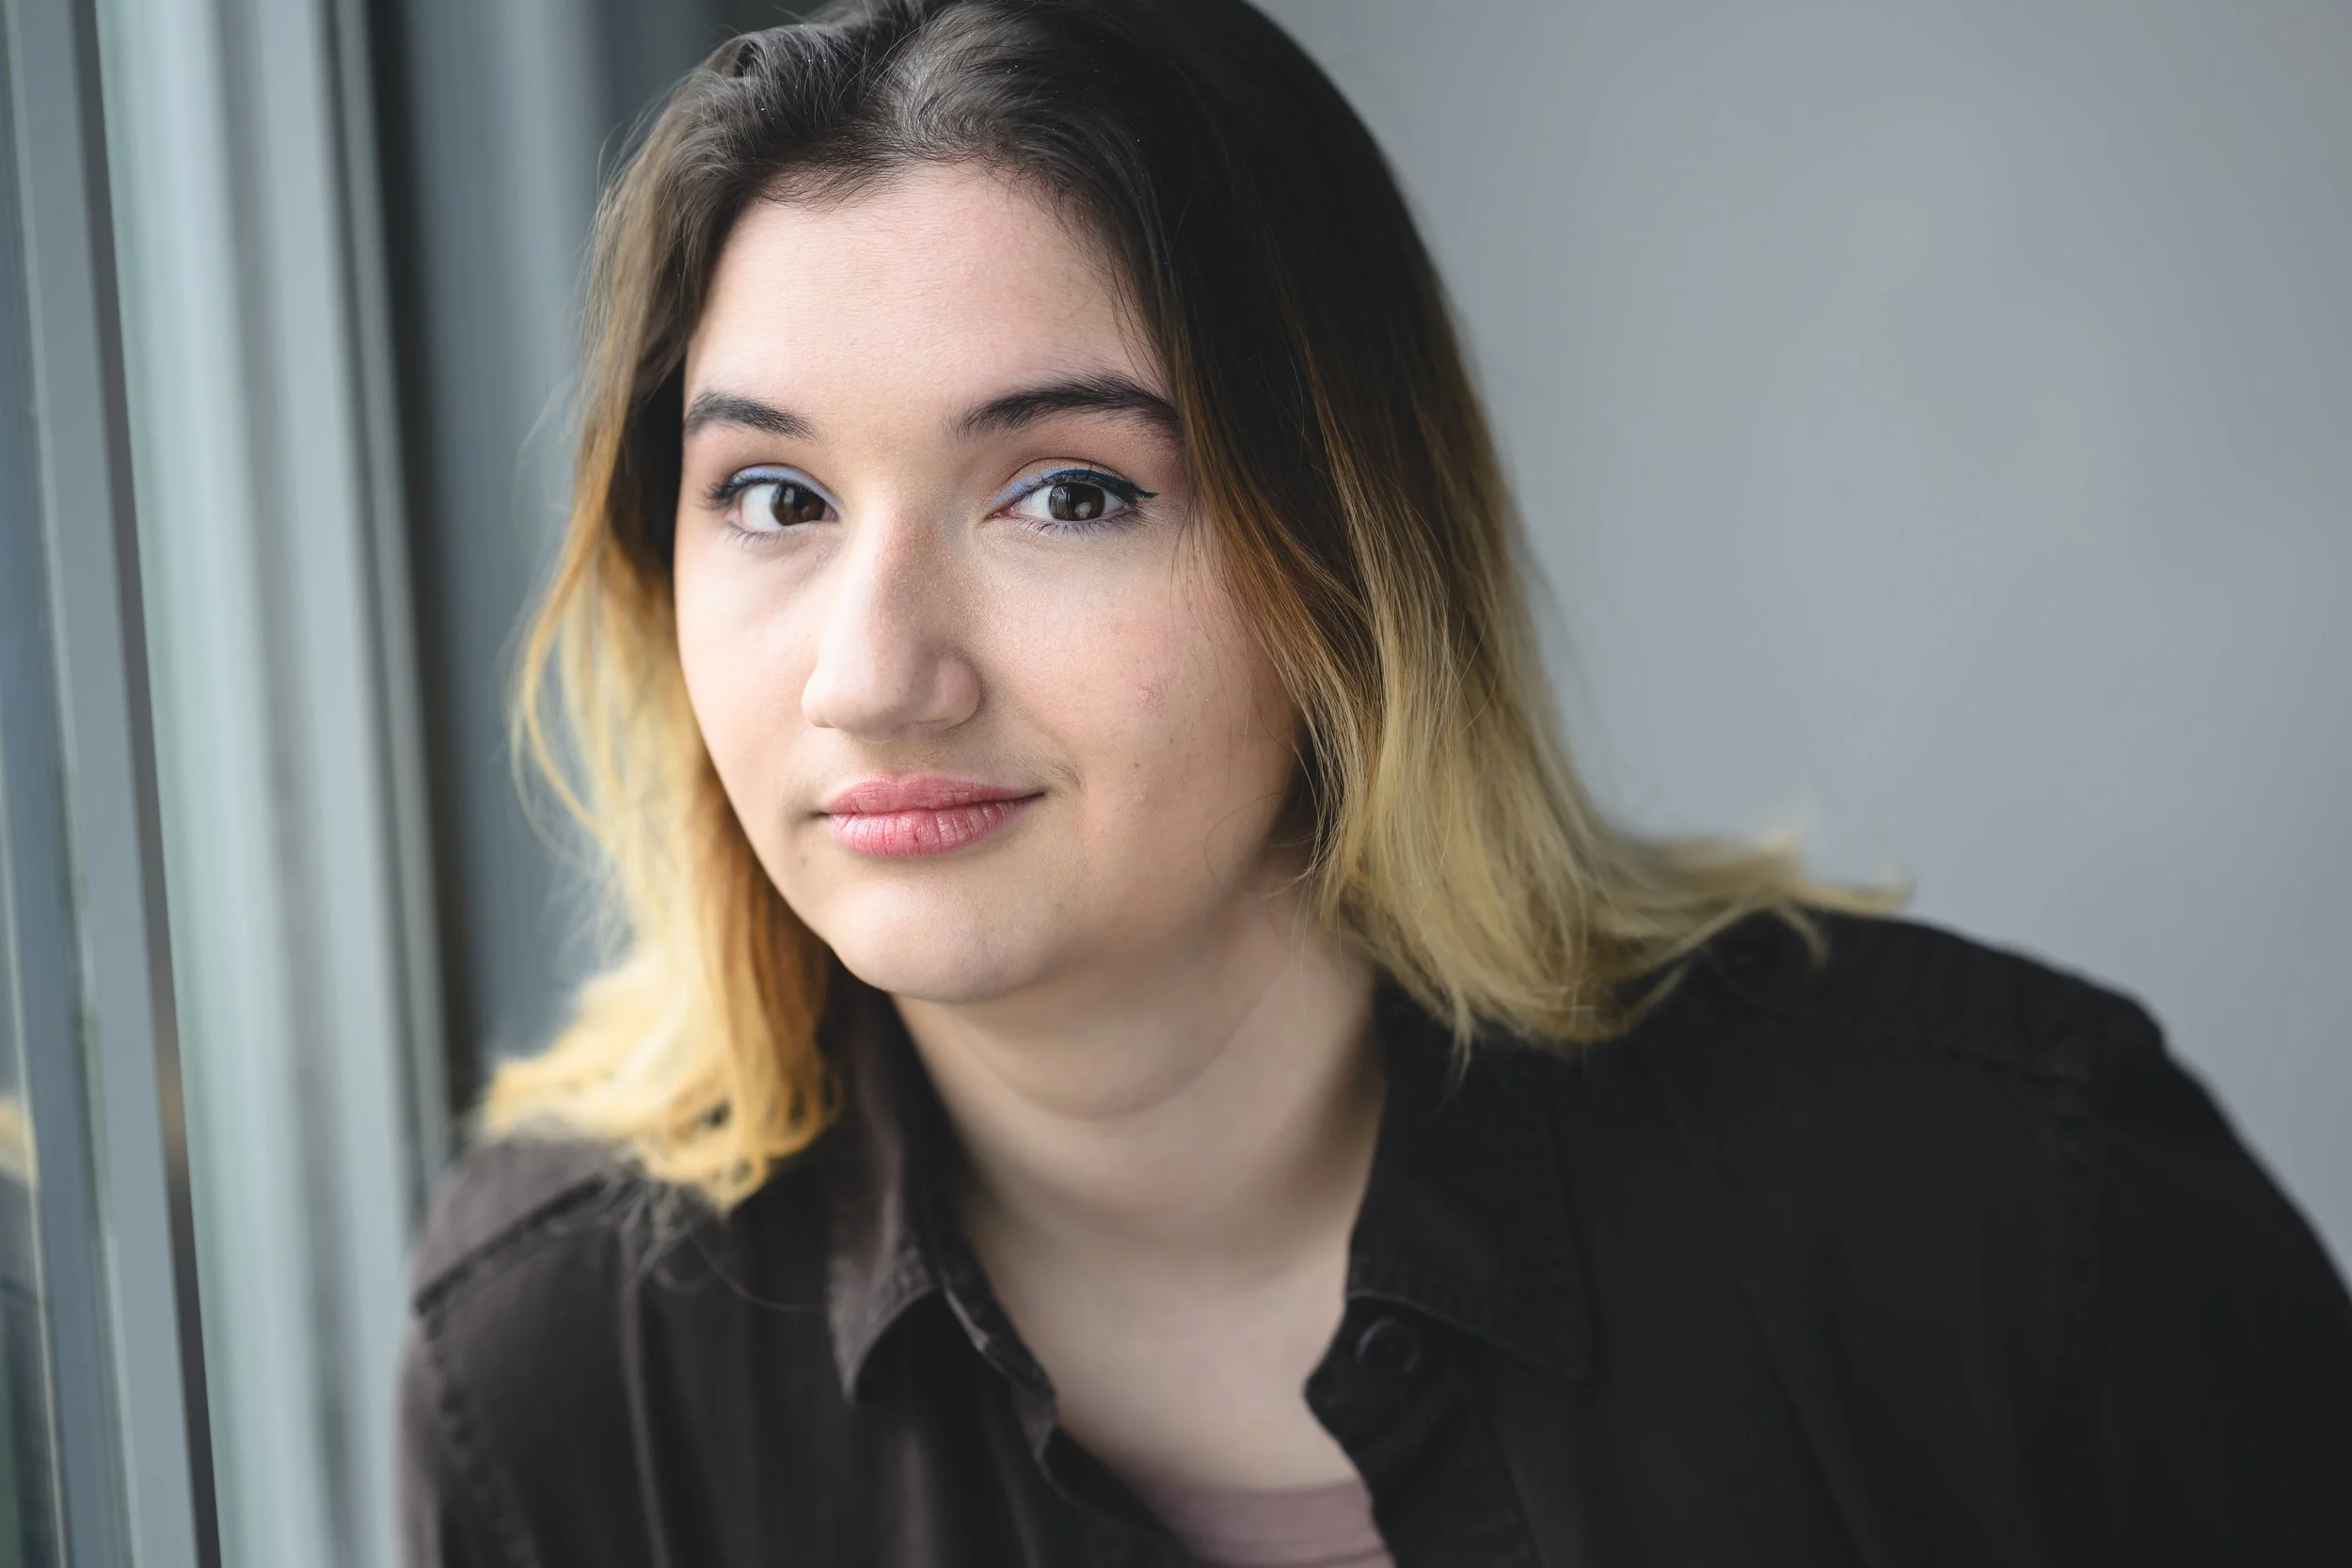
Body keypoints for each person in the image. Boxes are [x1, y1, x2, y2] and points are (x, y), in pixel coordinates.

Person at [394, 2, 2352, 1564]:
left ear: (1344, 555)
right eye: (774, 495)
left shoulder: (2011, 1214)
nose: (871, 672)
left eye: (1067, 489)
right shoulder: (567, 1363)